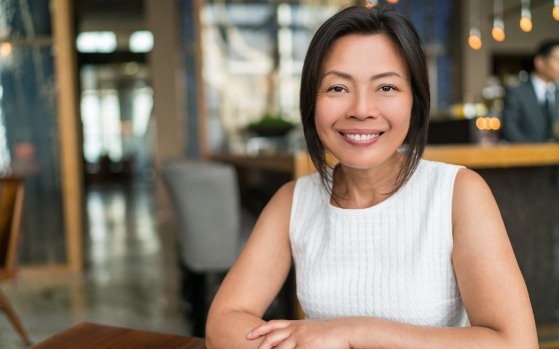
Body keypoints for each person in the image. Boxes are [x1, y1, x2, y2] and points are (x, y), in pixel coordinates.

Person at [205, 5, 538, 349]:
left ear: (415, 101)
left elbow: (516, 343)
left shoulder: (457, 192)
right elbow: (222, 323)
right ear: (311, 101)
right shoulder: (294, 200)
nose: (361, 109)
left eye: (386, 88)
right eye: (337, 88)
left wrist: (353, 331)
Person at [500, 39, 559, 142]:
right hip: (526, 155)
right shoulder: (516, 91)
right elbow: (509, 128)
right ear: (540, 62)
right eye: (558, 60)